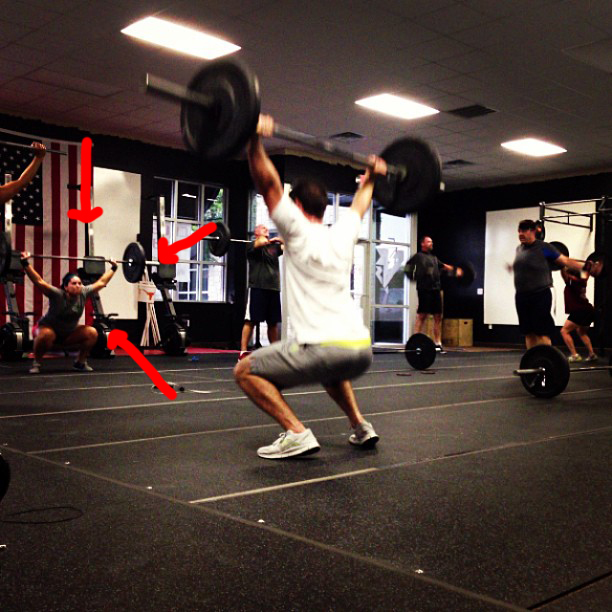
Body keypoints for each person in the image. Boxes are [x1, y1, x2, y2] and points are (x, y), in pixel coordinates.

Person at [234, 114, 384, 460]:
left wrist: (254, 141)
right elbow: (361, 203)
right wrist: (372, 177)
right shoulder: (342, 232)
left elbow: (268, 185)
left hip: (320, 347)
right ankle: (361, 426)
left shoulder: (297, 230)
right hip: (360, 349)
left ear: (298, 206)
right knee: (331, 371)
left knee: (244, 371)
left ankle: (297, 433)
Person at [20, 253, 118, 373]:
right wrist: (25, 263)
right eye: (74, 283)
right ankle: (37, 363)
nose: (78, 286)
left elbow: (101, 282)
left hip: (68, 333)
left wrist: (113, 268)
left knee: (92, 332)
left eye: (79, 283)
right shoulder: (57, 294)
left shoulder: (84, 292)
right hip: (48, 330)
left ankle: (80, 362)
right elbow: (39, 281)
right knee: (47, 334)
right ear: (66, 287)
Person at [512, 219, 590, 350]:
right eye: (519, 231)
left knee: (541, 332)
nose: (520, 234)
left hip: (540, 295)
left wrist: (586, 267)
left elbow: (564, 261)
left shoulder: (544, 248)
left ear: (533, 231)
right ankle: (533, 359)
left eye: (524, 231)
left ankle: (546, 359)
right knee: (528, 332)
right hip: (522, 296)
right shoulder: (519, 249)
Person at [404, 236, 461, 351]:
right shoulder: (418, 257)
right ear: (423, 244)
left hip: (436, 289)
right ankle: (415, 341)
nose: (431, 243)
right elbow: (407, 268)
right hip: (424, 289)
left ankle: (437, 343)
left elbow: (443, 266)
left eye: (431, 242)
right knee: (422, 315)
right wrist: (415, 277)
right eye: (429, 242)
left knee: (438, 316)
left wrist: (456, 270)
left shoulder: (434, 258)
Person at [239, 224, 283, 361]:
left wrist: (280, 240)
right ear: (256, 233)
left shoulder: (274, 248)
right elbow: (261, 242)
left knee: (273, 322)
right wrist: (268, 240)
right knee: (251, 320)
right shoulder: (251, 246)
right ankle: (243, 352)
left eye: (267, 229)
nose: (266, 229)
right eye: (263, 228)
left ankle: (274, 352)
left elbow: (290, 245)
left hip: (273, 289)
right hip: (258, 287)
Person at [560, 265, 597, 362]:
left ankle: (575, 355)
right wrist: (589, 265)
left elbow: (563, 273)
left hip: (579, 311)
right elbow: (586, 273)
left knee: (564, 331)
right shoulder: (583, 281)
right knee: (581, 332)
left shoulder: (571, 282)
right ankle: (592, 354)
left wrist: (561, 264)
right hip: (589, 310)